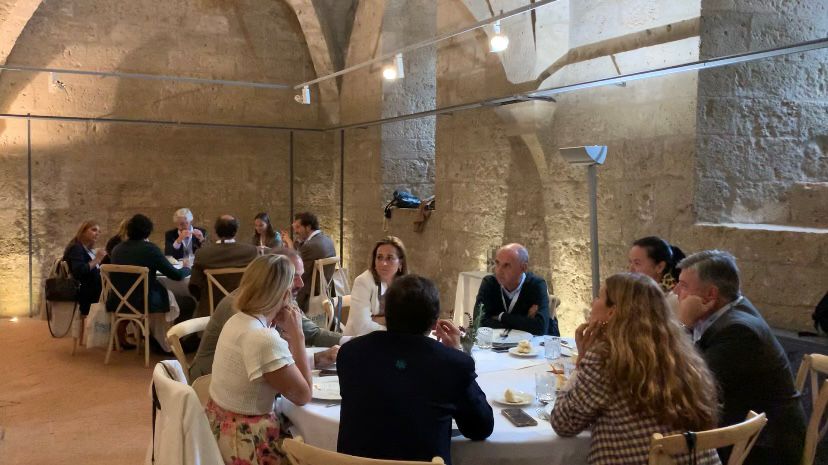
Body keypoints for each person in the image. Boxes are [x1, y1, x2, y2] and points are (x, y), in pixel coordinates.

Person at [552, 272, 721, 465]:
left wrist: (581, 363)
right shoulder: (681, 353)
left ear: (613, 312)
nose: (593, 302)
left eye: (598, 297)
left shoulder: (606, 358)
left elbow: (563, 422)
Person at [337, 275, 493, 465]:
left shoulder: (350, 354)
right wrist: (456, 353)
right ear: (435, 322)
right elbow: (480, 427)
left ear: (385, 315)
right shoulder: (452, 364)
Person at [674, 250, 806, 465]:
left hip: (763, 446)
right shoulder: (730, 310)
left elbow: (687, 384)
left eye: (684, 285)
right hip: (741, 423)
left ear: (710, 294)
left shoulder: (738, 331)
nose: (676, 291)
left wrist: (683, 326)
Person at [206, 254, 312, 465]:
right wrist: (297, 334)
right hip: (249, 442)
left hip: (219, 430)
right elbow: (303, 395)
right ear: (284, 294)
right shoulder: (262, 338)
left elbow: (280, 369)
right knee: (315, 452)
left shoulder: (237, 321)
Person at [189, 247, 343, 381]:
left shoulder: (282, 297)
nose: (301, 284)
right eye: (294, 277)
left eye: (301, 276)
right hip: (209, 379)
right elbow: (271, 361)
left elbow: (312, 333)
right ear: (273, 278)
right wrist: (315, 356)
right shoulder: (243, 308)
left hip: (251, 375)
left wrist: (352, 343)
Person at [108, 214, 191, 351]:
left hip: (119, 300)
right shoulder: (149, 249)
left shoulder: (117, 249)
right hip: (144, 301)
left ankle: (153, 338)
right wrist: (187, 268)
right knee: (186, 301)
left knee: (165, 295)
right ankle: (169, 343)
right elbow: (175, 275)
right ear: (148, 231)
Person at [475, 243, 558, 336]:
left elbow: (540, 328)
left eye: (506, 265)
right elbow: (478, 323)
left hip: (528, 344)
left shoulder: (536, 285)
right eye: (497, 263)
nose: (499, 271)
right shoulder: (489, 283)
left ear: (523, 268)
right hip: (495, 343)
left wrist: (501, 316)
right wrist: (525, 322)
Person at [188, 215, 258, 317]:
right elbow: (258, 281)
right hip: (244, 308)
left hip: (212, 310)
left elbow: (194, 286)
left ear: (216, 231)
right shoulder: (251, 252)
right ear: (236, 231)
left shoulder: (203, 254)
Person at [344, 236, 408, 337]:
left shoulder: (406, 284)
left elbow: (410, 320)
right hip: (360, 340)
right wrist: (395, 328)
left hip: (393, 339)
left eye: (390, 258)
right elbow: (362, 327)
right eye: (379, 257)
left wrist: (381, 320)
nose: (383, 263)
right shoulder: (363, 282)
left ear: (401, 263)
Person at [281, 212, 336, 313]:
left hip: (308, 292)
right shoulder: (326, 239)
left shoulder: (310, 246)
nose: (296, 231)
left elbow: (297, 270)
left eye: (298, 227)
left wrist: (289, 244)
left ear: (308, 227)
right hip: (326, 288)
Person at [62, 220, 106, 317]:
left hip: (91, 288)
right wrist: (97, 259)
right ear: (83, 231)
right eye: (94, 230)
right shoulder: (76, 248)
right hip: (84, 291)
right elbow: (79, 271)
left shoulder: (86, 248)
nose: (97, 234)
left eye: (99, 232)